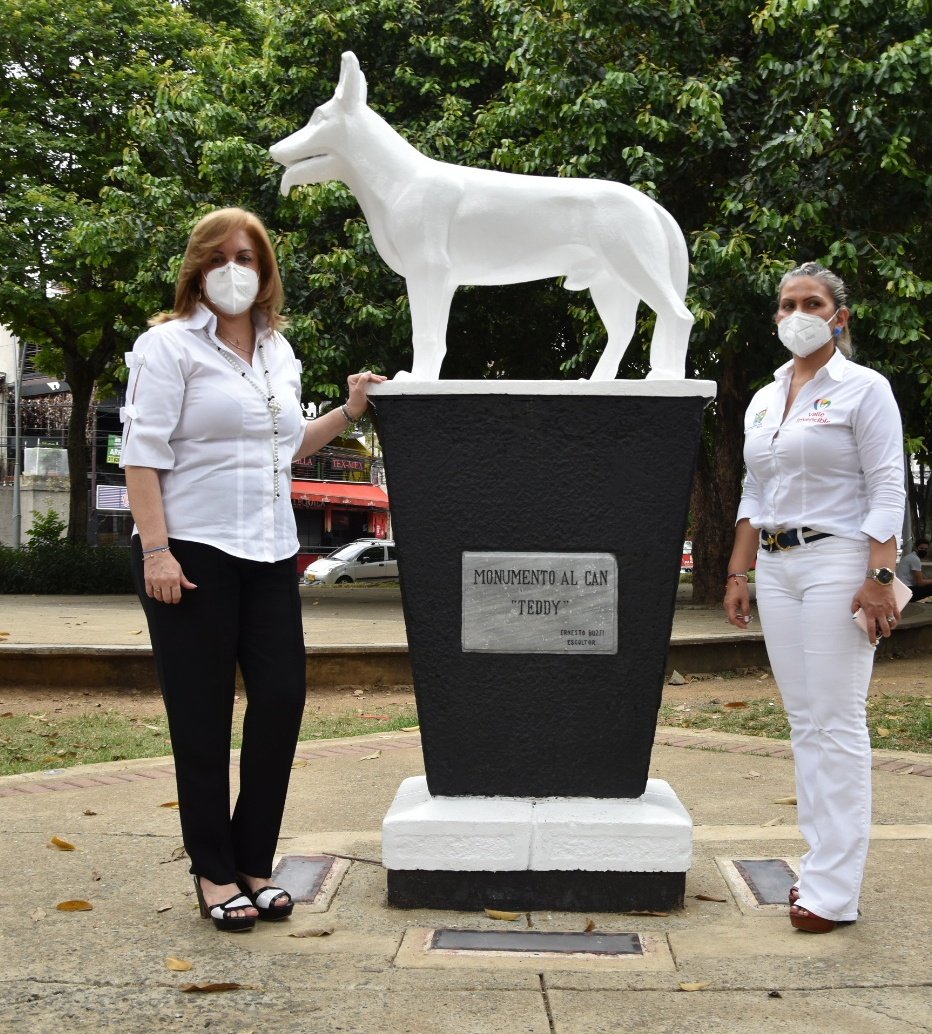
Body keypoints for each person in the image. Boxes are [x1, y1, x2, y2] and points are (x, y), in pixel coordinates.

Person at [120, 207, 385, 932]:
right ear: (197, 270)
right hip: (192, 552)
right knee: (201, 719)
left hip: (269, 552)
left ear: (266, 271)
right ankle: (213, 873)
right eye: (220, 256)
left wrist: (351, 409)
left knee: (281, 701)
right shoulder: (167, 347)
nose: (235, 268)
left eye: (249, 256)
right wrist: (155, 551)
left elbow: (288, 442)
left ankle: (254, 862)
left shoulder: (279, 351)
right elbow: (141, 455)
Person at [723, 261, 905, 934]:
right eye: (787, 303)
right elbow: (754, 492)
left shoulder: (864, 389)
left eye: (812, 302)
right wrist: (738, 572)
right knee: (803, 721)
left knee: (836, 722)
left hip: (839, 560)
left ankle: (834, 891)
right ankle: (820, 867)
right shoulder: (766, 398)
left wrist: (880, 576)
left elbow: (887, 485)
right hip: (776, 567)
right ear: (776, 317)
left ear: (839, 316)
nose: (797, 312)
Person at [896, 538, 932, 602]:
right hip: (906, 592)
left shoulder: (911, 556)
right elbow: (920, 583)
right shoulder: (915, 559)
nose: (923, 550)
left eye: (925, 549)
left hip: (901, 589)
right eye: (921, 548)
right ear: (916, 547)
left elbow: (921, 575)